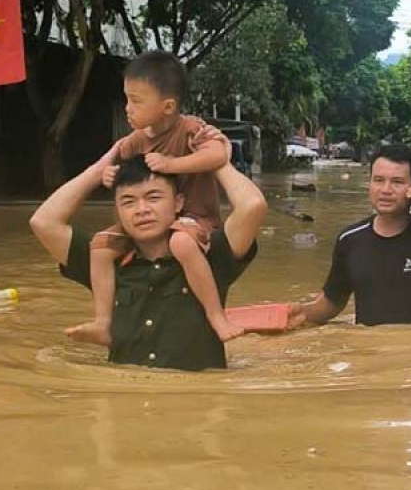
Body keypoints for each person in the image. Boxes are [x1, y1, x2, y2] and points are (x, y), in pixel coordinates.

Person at [28, 143, 268, 369]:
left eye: (153, 198)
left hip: (197, 406)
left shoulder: (207, 255)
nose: (142, 210)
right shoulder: (105, 262)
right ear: (118, 211)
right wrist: (98, 170)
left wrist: (217, 160)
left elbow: (252, 205)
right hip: (125, 405)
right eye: (128, 201)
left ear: (178, 203)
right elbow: (43, 222)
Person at [70, 52, 240, 346]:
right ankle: (103, 322)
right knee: (99, 246)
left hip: (193, 218)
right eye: (126, 99)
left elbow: (219, 154)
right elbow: (127, 175)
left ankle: (216, 316)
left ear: (168, 106)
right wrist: (109, 175)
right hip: (150, 219)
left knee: (181, 241)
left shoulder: (190, 128)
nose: (127, 108)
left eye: (136, 100)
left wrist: (171, 164)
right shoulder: (134, 140)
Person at [291, 144, 411, 328]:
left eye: (397, 182)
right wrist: (298, 314)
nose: (385, 190)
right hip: (370, 352)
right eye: (378, 180)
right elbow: (331, 303)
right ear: (369, 184)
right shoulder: (349, 239)